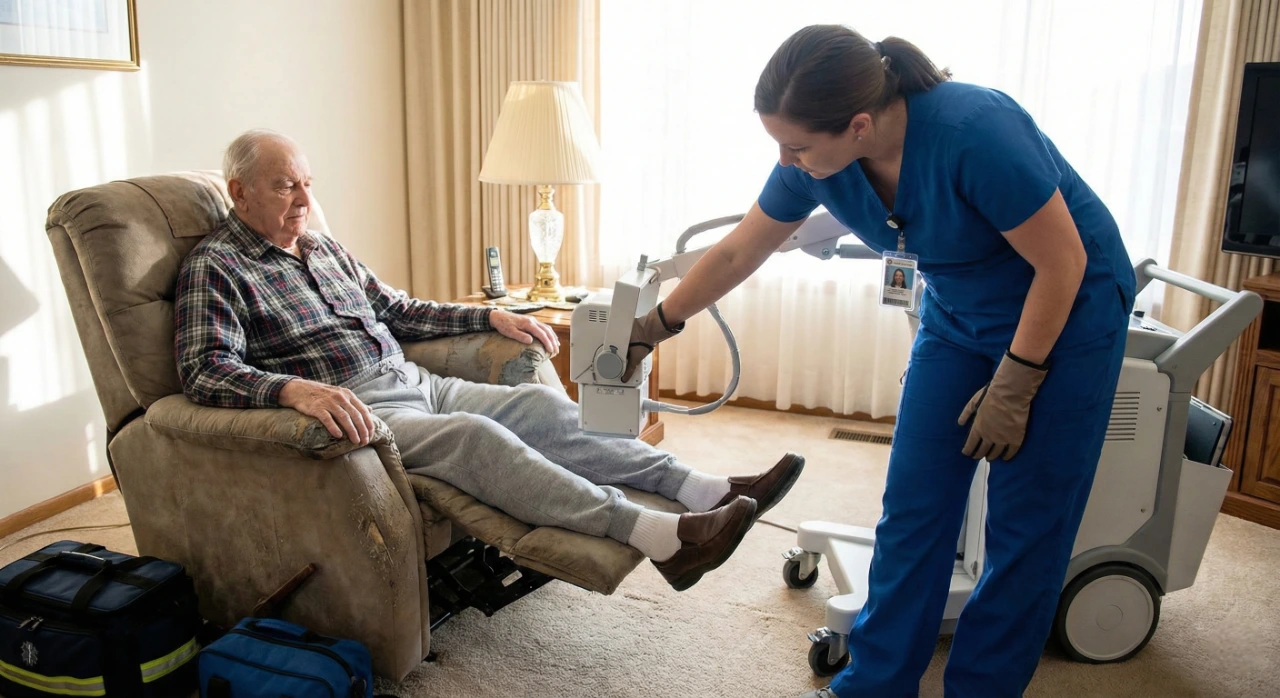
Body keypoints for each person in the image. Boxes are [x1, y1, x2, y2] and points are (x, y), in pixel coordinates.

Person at [623, 25, 1134, 697]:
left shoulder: (975, 130)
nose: (787, 159)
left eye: (798, 145)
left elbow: (1063, 262)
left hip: (1066, 315)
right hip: (958, 317)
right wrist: (653, 326)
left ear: (859, 125)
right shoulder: (819, 162)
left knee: (1025, 523)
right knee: (915, 505)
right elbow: (737, 252)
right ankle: (875, 683)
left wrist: (1017, 382)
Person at [174, 129, 807, 593]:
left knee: (536, 406)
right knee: (475, 439)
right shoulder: (218, 265)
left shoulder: (322, 249)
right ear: (239, 192)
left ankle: (703, 488)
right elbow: (203, 368)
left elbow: (397, 308)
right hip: (361, 410)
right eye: (286, 186)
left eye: (307, 185)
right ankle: (662, 539)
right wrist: (290, 390)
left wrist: (487, 316)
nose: (304, 201)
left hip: (418, 382)